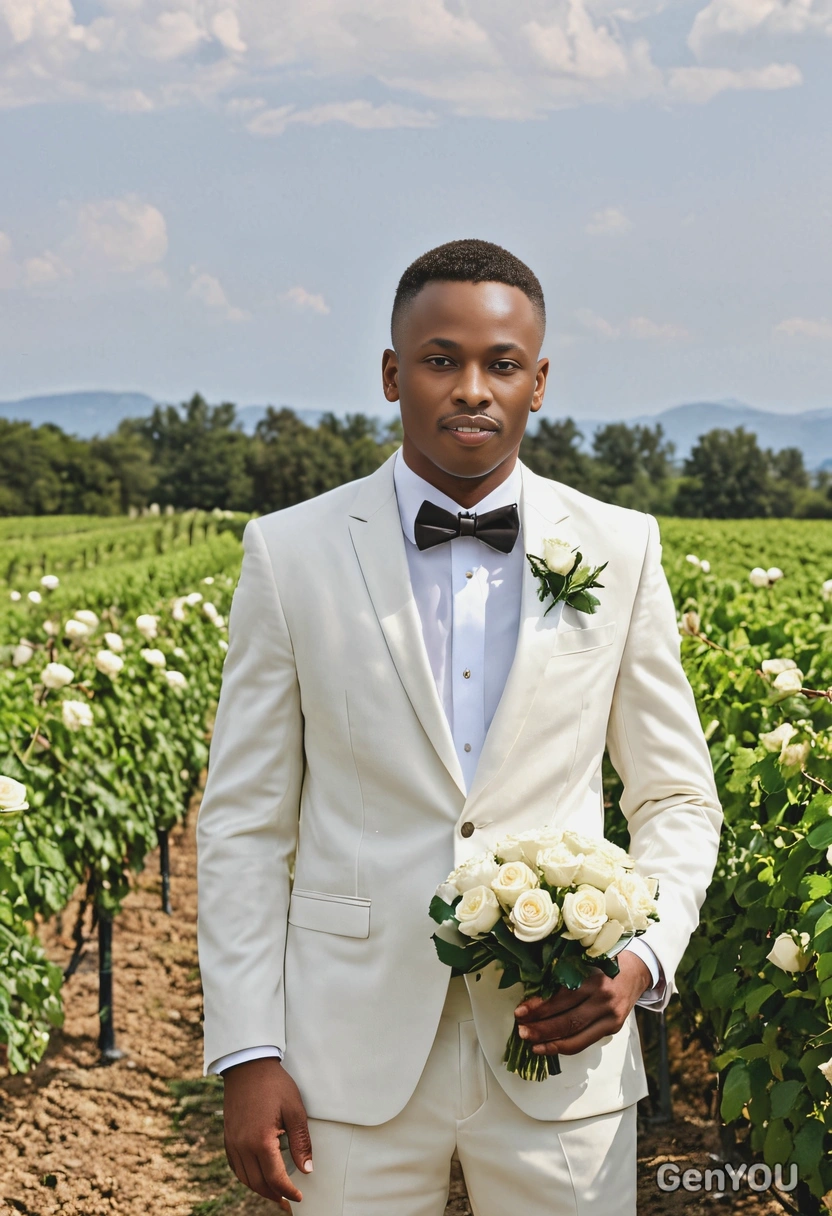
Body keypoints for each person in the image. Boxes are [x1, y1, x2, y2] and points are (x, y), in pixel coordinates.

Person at [197, 238, 722, 1215]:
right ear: (393, 375)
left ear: (539, 382)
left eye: (502, 364)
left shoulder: (620, 548)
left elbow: (676, 795)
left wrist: (642, 954)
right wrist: (246, 1049)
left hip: (563, 1051)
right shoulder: (290, 555)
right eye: (441, 360)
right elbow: (242, 825)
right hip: (341, 1061)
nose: (472, 387)